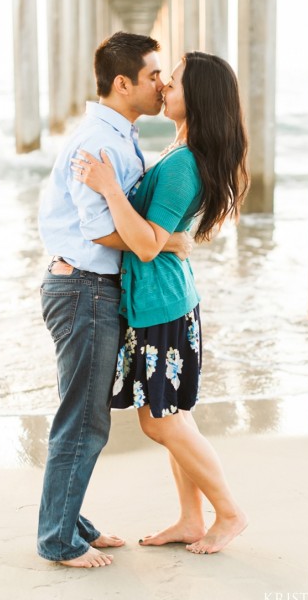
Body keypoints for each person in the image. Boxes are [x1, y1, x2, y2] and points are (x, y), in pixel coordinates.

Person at [72, 51, 250, 554]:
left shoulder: (183, 164)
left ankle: (230, 512)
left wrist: (108, 188)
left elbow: (148, 242)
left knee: (159, 419)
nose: (164, 89)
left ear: (198, 96)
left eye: (171, 83)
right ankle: (192, 518)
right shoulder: (183, 150)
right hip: (164, 300)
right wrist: (168, 237)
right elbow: (162, 236)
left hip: (163, 304)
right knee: (173, 415)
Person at [37, 31, 192, 568]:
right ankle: (57, 539)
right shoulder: (98, 142)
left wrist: (154, 235)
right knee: (83, 419)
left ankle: (69, 520)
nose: (162, 83)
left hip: (89, 288)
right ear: (122, 83)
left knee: (83, 412)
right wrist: (165, 240)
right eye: (153, 75)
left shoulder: (119, 135)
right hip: (82, 287)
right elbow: (100, 228)